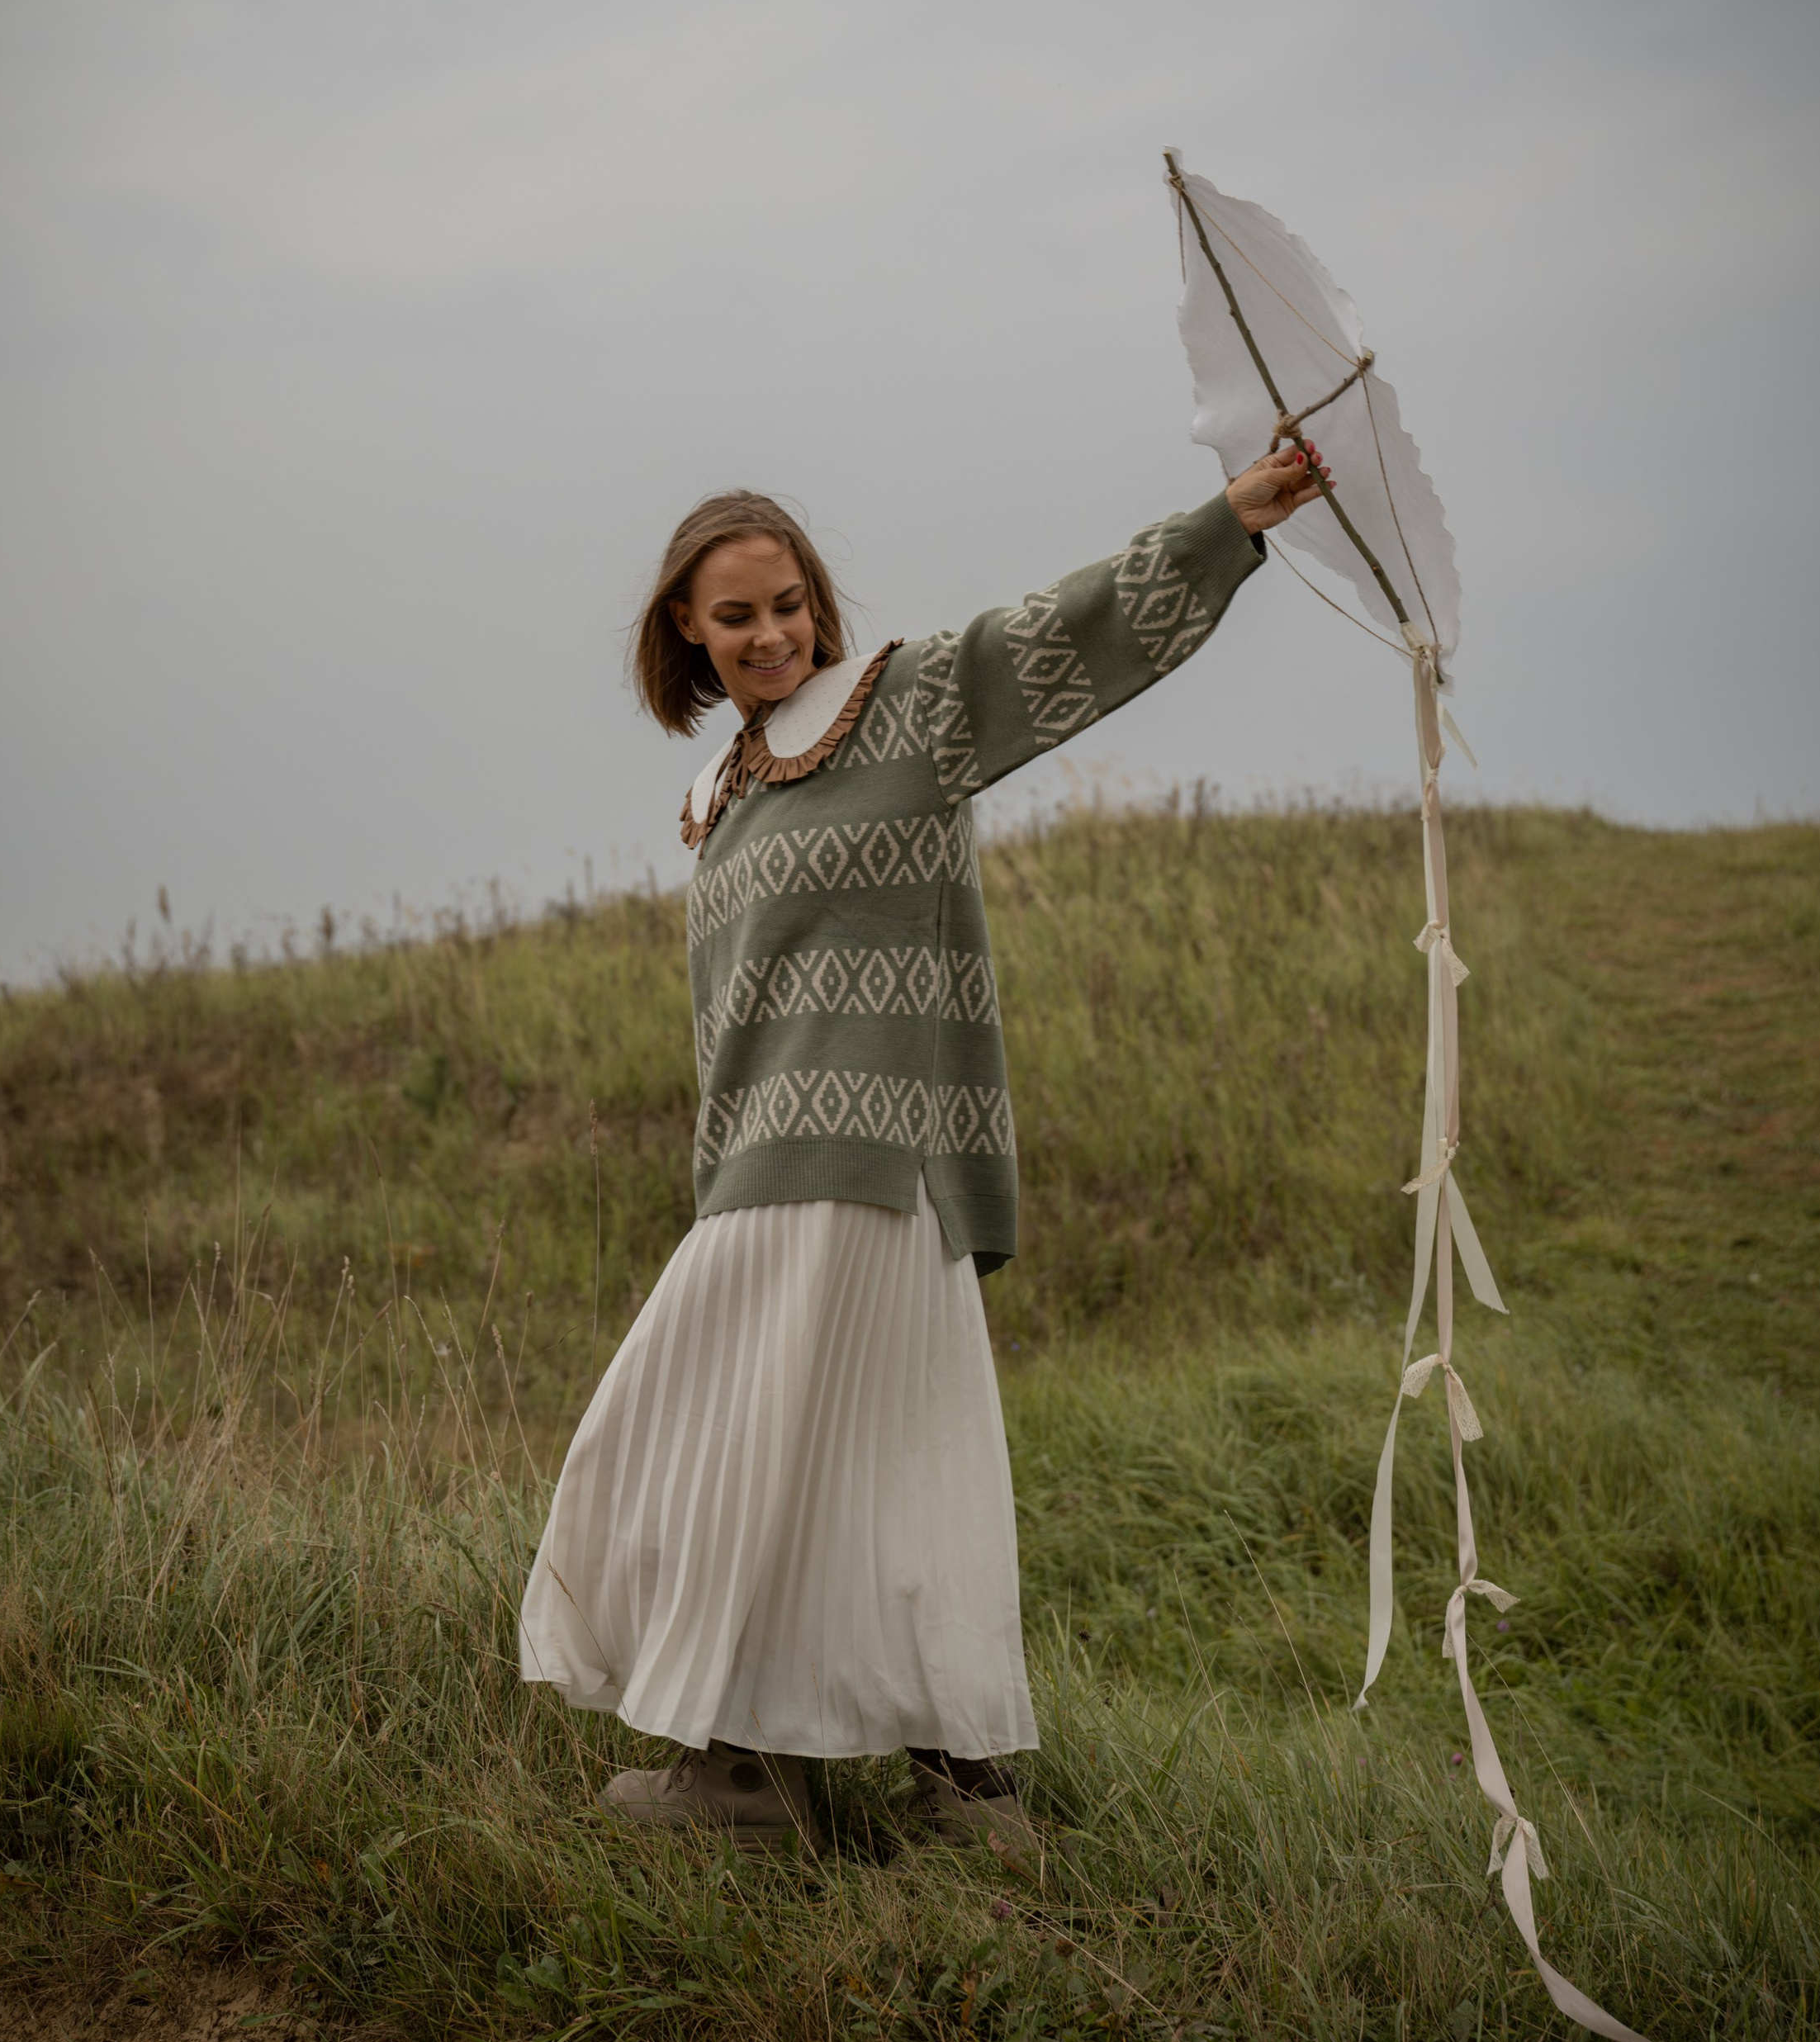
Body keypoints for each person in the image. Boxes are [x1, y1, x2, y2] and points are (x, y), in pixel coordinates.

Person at [519, 445, 1329, 1845]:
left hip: (868, 1169)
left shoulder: (906, 706)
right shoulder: (726, 794)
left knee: (693, 1447)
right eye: (734, 618)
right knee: (843, 1473)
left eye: (786, 605)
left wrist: (1229, 523)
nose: (770, 636)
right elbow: (737, 1021)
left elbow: (1064, 632)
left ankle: (757, 1775)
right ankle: (900, 1794)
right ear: (686, 636)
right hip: (766, 1178)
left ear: (816, 603)